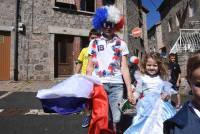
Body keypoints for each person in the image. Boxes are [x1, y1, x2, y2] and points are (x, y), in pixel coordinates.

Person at [87, 5, 135, 133]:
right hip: (99, 84)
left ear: (116, 25)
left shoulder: (122, 44)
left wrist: (129, 90)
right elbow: (89, 67)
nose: (108, 26)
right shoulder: (94, 43)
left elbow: (124, 68)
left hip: (117, 85)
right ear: (101, 24)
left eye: (111, 24)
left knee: (117, 118)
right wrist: (87, 86)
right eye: (105, 23)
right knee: (102, 117)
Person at [124, 52, 177, 134]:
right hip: (145, 106)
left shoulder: (162, 78)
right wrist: (134, 97)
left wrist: (166, 95)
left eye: (155, 65)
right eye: (149, 65)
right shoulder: (142, 78)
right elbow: (138, 91)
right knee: (144, 125)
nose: (151, 68)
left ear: (159, 66)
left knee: (159, 126)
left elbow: (167, 91)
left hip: (160, 107)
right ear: (145, 65)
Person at [164, 53, 200, 134]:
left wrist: (177, 80)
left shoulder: (176, 65)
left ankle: (178, 103)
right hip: (170, 82)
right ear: (189, 82)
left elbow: (179, 73)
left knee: (176, 93)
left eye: (174, 58)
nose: (173, 59)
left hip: (175, 81)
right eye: (199, 85)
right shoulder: (177, 126)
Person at [74, 28, 99, 128]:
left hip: (96, 79)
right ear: (89, 38)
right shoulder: (84, 50)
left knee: (96, 99)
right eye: (92, 38)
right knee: (83, 98)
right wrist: (76, 75)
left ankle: (96, 117)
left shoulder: (100, 50)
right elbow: (79, 63)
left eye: (96, 38)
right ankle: (88, 115)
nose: (93, 40)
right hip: (84, 78)